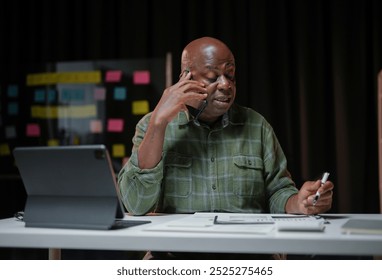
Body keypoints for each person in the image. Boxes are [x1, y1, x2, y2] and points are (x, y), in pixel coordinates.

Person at [118, 36, 334, 259]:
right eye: (213, 76)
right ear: (185, 78)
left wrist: (299, 202)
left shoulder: (256, 125)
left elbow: (277, 192)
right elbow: (136, 204)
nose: (225, 85)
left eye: (230, 75)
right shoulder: (151, 126)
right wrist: (158, 123)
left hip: (249, 256)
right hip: (175, 257)